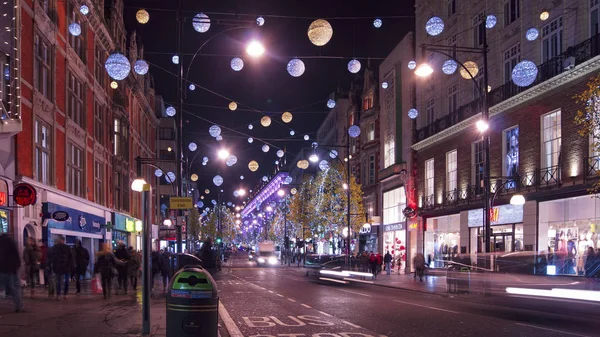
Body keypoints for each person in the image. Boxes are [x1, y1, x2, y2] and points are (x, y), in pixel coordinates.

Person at [0, 234, 24, 312]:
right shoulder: (11, 243)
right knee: (15, 288)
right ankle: (18, 306)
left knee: (2, 287)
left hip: (2, 269)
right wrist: (18, 265)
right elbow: (16, 256)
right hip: (12, 269)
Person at [50, 235, 73, 300]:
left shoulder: (55, 247)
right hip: (62, 267)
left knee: (60, 281)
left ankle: (60, 294)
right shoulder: (65, 247)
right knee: (61, 281)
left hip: (61, 267)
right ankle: (63, 294)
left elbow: (70, 258)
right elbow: (70, 258)